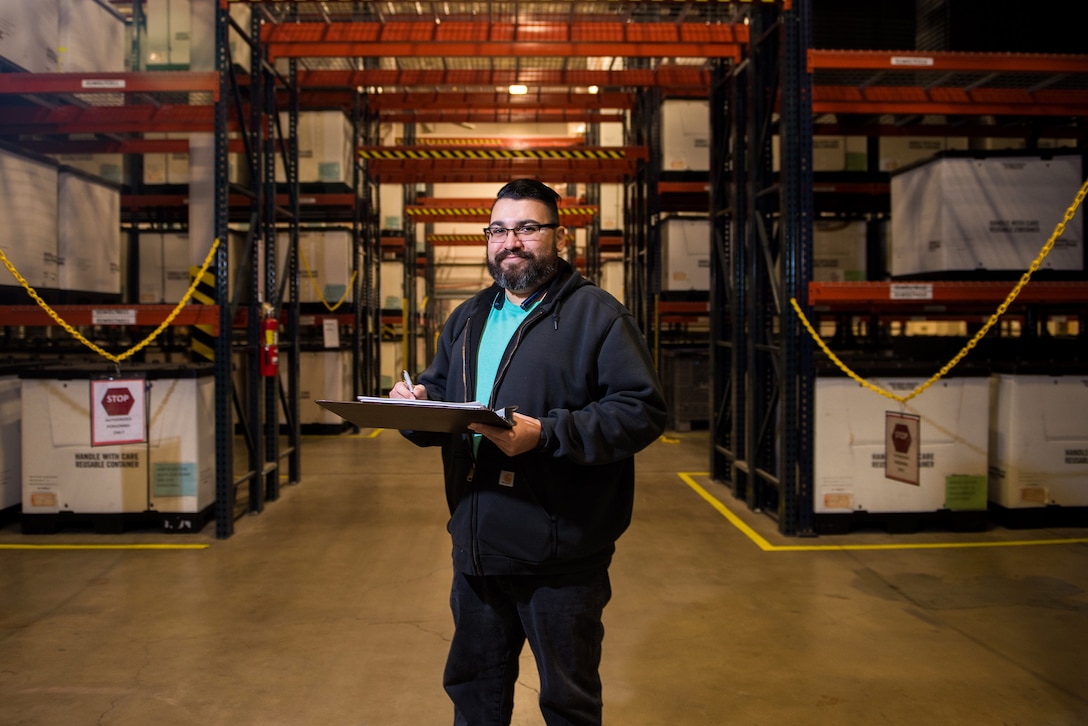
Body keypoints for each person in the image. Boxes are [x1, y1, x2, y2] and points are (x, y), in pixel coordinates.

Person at [391, 178, 667, 726]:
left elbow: (642, 409)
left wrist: (547, 434)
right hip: (476, 541)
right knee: (473, 695)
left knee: (567, 701)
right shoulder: (469, 317)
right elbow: (442, 391)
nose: (509, 241)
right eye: (498, 229)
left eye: (526, 228)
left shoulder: (598, 315)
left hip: (561, 554)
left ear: (557, 237)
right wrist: (415, 404)